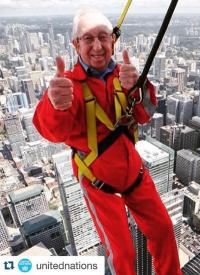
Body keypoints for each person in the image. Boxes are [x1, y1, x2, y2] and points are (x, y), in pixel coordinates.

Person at [33, 7, 182, 275]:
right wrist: (55, 106)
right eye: (88, 39)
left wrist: (139, 87)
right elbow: (52, 132)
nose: (98, 46)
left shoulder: (124, 77)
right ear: (75, 44)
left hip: (134, 173)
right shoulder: (69, 86)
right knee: (122, 253)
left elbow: (144, 114)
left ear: (113, 40)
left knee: (163, 230)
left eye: (103, 37)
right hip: (98, 183)